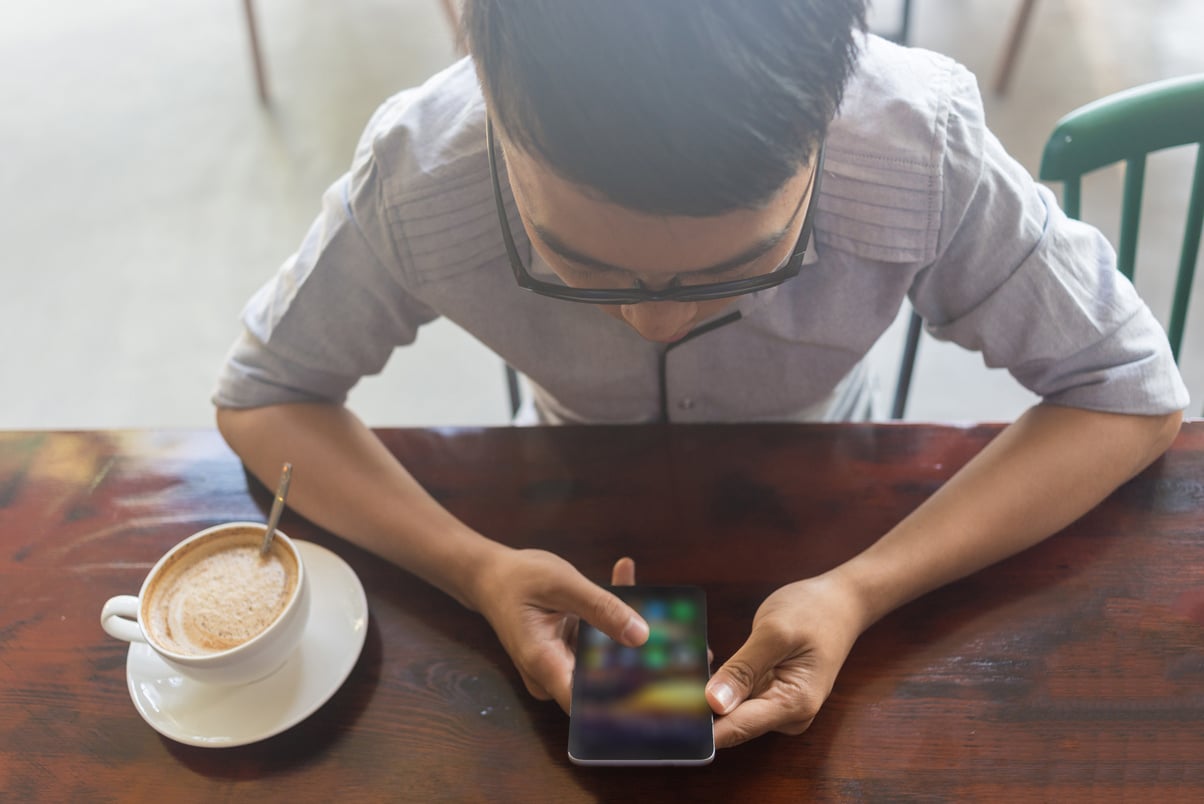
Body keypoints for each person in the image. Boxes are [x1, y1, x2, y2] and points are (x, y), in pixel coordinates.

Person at [213, 0, 1188, 749]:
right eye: (576, 262)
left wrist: (863, 589)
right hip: (557, 504)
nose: (654, 321)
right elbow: (263, 396)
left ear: (829, 114)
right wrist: (472, 568)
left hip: (828, 485)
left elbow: (1129, 394)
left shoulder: (911, 146)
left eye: (744, 262)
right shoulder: (421, 169)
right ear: (475, 59)